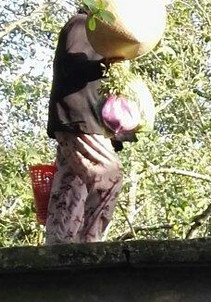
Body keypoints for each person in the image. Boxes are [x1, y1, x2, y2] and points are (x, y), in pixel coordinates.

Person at [45, 9, 130, 244]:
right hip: (79, 120)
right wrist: (104, 64)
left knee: (71, 186)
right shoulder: (83, 24)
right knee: (109, 175)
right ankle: (89, 244)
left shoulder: (99, 34)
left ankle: (59, 245)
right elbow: (70, 65)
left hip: (79, 121)